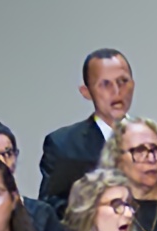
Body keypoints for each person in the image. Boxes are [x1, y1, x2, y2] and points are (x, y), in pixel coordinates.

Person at [37, 46, 134, 220]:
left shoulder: (156, 144)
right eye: (105, 84)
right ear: (86, 92)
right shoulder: (64, 145)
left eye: (123, 81)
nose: (116, 92)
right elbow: (50, 210)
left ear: (133, 84)